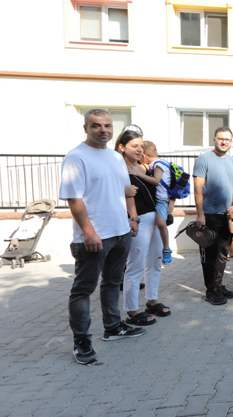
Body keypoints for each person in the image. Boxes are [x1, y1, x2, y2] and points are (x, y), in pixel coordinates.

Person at [60, 110, 143, 365]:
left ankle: (113, 326)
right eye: (96, 126)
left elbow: (124, 189)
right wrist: (88, 232)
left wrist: (132, 217)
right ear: (85, 128)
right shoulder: (76, 157)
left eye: (107, 125)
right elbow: (74, 200)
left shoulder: (115, 157)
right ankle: (82, 341)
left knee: (112, 282)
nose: (103, 130)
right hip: (94, 237)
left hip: (120, 232)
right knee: (83, 290)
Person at [117, 131, 166, 328]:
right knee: (135, 264)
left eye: (141, 146)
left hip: (155, 218)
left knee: (155, 261)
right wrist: (133, 218)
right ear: (122, 147)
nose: (139, 149)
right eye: (134, 146)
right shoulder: (118, 168)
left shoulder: (145, 167)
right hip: (137, 220)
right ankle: (131, 310)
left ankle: (152, 300)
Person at [193, 126, 233, 305]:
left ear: (231, 142)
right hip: (209, 215)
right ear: (214, 139)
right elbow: (197, 188)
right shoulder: (203, 159)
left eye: (227, 139)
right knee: (209, 255)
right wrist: (200, 214)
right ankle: (210, 290)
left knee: (223, 254)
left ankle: (218, 285)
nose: (224, 142)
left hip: (226, 216)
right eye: (221, 138)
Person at [133, 141, 174, 264]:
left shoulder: (158, 164)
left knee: (161, 223)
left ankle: (166, 248)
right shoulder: (163, 162)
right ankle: (165, 247)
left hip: (162, 199)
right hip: (163, 198)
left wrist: (139, 174)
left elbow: (156, 180)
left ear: (144, 155)